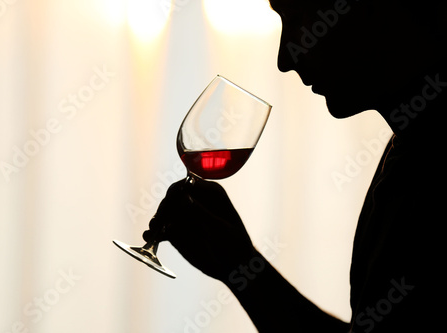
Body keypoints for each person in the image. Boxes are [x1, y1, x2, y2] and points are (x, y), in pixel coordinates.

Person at [143, 0, 447, 331]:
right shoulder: (408, 146)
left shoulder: (433, 160)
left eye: (298, 18)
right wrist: (240, 265)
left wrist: (243, 268)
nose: (285, 59)